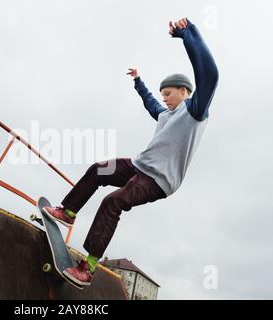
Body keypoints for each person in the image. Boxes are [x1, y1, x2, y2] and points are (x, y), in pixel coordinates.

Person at [44, 17, 219, 286]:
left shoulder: (195, 112)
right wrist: (139, 82)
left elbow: (210, 75)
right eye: (163, 95)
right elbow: (151, 104)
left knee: (113, 202)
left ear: (184, 91)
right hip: (139, 166)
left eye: (168, 94)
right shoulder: (166, 114)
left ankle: (88, 267)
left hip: (157, 180)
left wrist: (188, 35)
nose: (164, 99)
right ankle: (68, 211)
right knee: (98, 169)